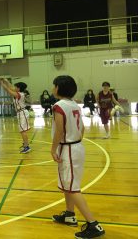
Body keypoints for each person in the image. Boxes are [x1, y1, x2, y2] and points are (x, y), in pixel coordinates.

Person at [51, 75, 105, 239]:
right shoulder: (75, 105)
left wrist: (53, 149)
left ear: (59, 88)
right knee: (69, 185)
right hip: (76, 147)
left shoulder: (58, 106)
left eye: (54, 86)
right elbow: (82, 129)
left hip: (68, 149)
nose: (52, 88)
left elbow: (59, 131)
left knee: (73, 188)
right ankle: (69, 215)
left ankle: (93, 225)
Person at [0, 78, 31, 153]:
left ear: (19, 88)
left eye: (16, 87)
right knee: (22, 130)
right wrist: (6, 81)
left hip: (22, 113)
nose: (14, 88)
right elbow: (10, 87)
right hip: (20, 113)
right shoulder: (19, 93)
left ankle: (27, 147)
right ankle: (25, 144)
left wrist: (1, 83)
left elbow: (8, 90)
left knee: (23, 131)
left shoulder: (19, 94)